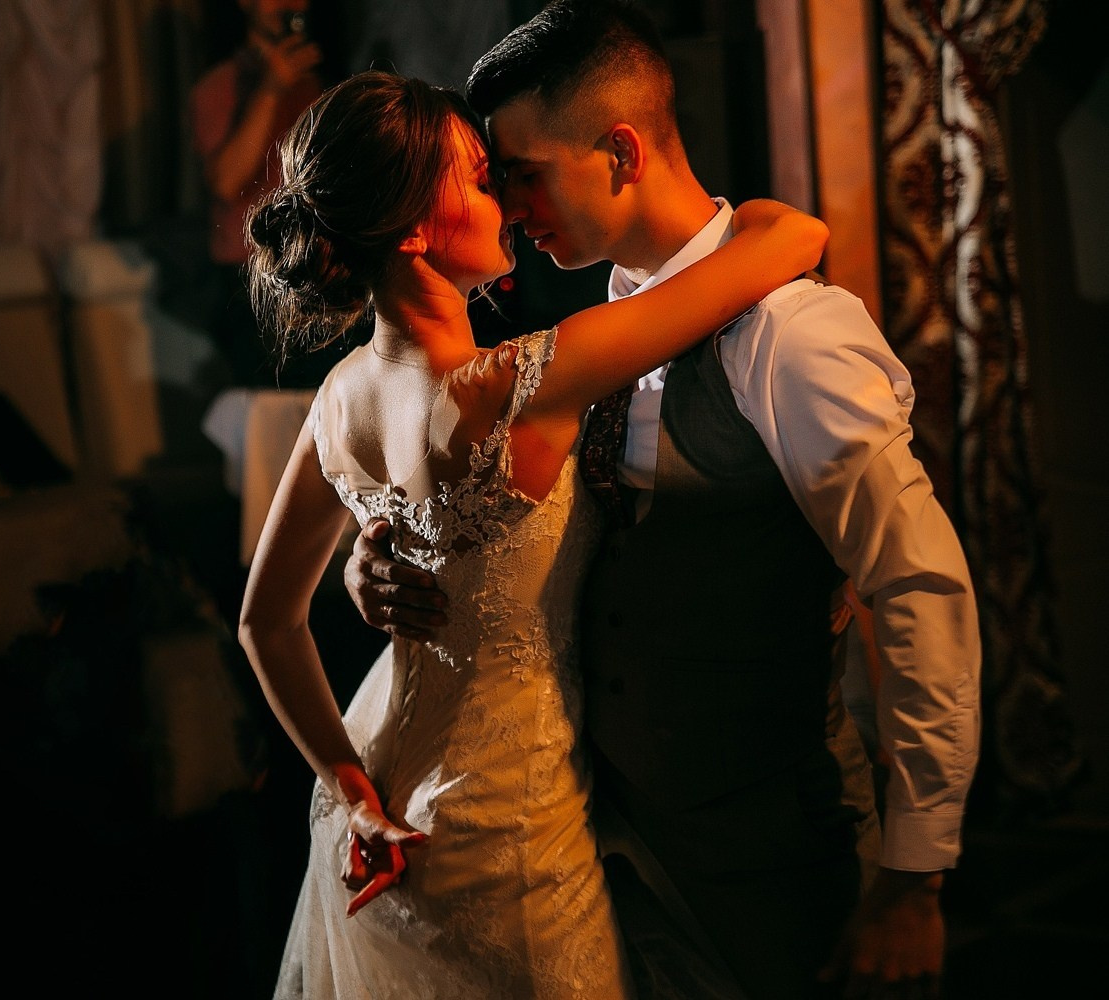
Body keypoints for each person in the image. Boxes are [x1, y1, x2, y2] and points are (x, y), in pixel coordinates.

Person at [342, 3, 983, 998]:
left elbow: (918, 586)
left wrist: (914, 878)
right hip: (603, 847)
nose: (508, 206)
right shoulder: (601, 334)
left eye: (525, 172)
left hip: (775, 849)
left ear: (621, 152)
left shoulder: (793, 337)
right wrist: (386, 550)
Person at [236, 67, 827, 998]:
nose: (509, 203)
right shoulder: (520, 386)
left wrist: (351, 791)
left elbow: (264, 623)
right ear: (414, 231)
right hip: (509, 831)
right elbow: (795, 237)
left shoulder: (339, 397)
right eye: (480, 181)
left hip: (383, 807)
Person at [190, 0, 326, 386]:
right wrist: (270, 90)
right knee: (274, 404)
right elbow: (226, 182)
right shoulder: (219, 87)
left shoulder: (316, 84)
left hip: (315, 268)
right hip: (251, 276)